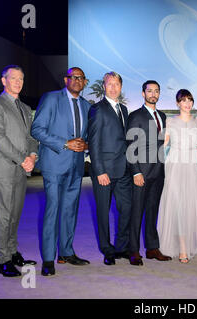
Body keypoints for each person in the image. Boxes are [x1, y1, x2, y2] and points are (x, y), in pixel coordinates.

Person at [31, 67, 91, 276]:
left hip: (75, 166)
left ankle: (66, 252)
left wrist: (86, 145)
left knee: (70, 211)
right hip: (54, 165)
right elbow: (37, 129)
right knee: (53, 210)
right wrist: (65, 143)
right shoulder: (51, 99)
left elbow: (87, 136)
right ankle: (48, 259)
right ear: (66, 79)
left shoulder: (86, 105)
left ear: (85, 82)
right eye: (73, 77)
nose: (77, 80)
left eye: (81, 78)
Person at [0, 65, 38, 277]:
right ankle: (4, 259)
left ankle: (13, 251)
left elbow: (31, 138)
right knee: (4, 215)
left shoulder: (25, 108)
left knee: (15, 214)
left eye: (21, 79)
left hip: (21, 169)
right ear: (3, 81)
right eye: (13, 78)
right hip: (4, 168)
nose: (18, 82)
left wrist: (32, 156)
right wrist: (22, 159)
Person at [157, 89, 197, 263]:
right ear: (177, 103)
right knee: (177, 205)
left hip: (192, 166)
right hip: (175, 166)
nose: (187, 103)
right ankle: (183, 248)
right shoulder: (170, 122)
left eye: (190, 100)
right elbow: (162, 145)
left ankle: (186, 245)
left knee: (190, 205)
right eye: (183, 100)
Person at [88, 71, 132, 266]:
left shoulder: (124, 109)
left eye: (116, 84)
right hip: (104, 172)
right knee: (103, 212)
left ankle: (121, 247)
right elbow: (94, 142)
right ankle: (107, 249)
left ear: (121, 87)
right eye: (109, 84)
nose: (113, 87)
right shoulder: (97, 109)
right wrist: (99, 171)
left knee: (127, 209)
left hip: (122, 170)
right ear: (104, 86)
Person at [126, 80, 172, 266]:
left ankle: (152, 248)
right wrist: (136, 172)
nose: (153, 94)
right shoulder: (136, 115)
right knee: (136, 213)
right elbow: (130, 146)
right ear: (143, 94)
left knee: (153, 211)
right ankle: (134, 250)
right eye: (149, 91)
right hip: (142, 173)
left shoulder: (162, 116)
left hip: (158, 172)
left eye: (156, 91)